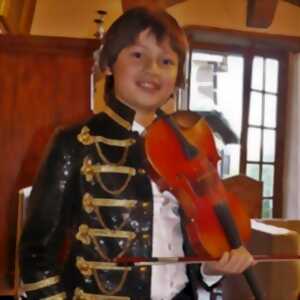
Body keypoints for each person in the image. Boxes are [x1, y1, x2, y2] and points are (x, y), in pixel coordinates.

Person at [19, 6, 254, 300]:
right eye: (138, 55)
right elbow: (36, 255)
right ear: (108, 64)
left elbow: (188, 263)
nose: (152, 69)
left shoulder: (189, 151)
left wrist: (212, 269)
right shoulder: (74, 143)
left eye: (166, 61)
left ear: (177, 79)